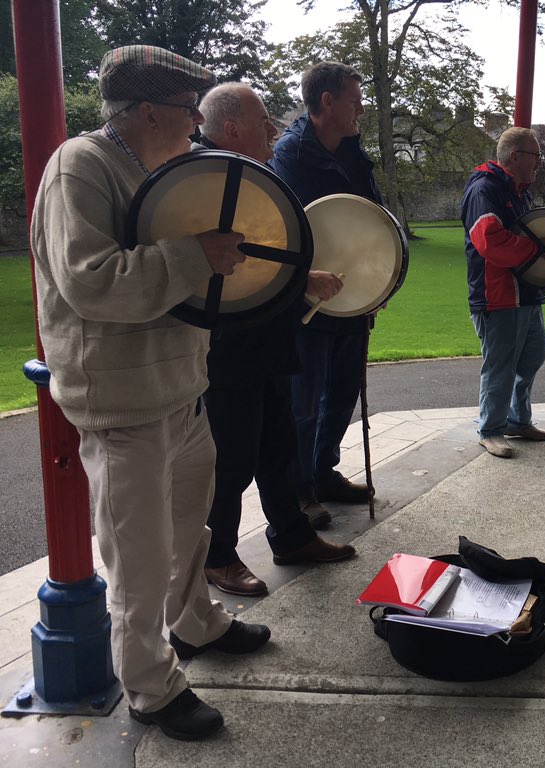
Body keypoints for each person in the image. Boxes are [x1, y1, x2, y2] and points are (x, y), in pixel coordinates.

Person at [31, 45, 269, 742]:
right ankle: (150, 687)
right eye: (187, 109)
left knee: (188, 527)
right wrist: (198, 255)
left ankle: (195, 621)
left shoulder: (157, 168)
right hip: (122, 401)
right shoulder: (80, 165)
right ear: (145, 112)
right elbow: (91, 281)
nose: (198, 121)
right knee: (136, 557)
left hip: (178, 388)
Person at [194, 83, 355, 598]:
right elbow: (235, 258)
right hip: (229, 344)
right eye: (262, 120)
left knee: (278, 447)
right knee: (232, 456)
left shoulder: (242, 174)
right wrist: (303, 278)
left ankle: (291, 536)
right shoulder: (204, 179)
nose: (274, 128)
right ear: (230, 129)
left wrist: (298, 281)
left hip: (264, 335)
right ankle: (217, 557)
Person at [271, 62, 377, 513]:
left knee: (342, 393)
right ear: (328, 101)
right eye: (355, 100)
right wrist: (305, 279)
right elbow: (281, 232)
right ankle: (299, 491)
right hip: (311, 298)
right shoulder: (290, 157)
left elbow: (370, 218)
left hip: (352, 294)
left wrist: (378, 280)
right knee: (304, 401)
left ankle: (323, 474)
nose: (361, 110)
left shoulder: (353, 152)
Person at [461, 127, 545, 459]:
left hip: (527, 294)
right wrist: (539, 248)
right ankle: (490, 429)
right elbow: (490, 241)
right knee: (500, 365)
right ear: (515, 156)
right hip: (497, 295)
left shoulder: (518, 193)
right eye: (536, 156)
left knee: (533, 354)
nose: (539, 163)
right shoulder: (484, 189)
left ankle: (518, 420)